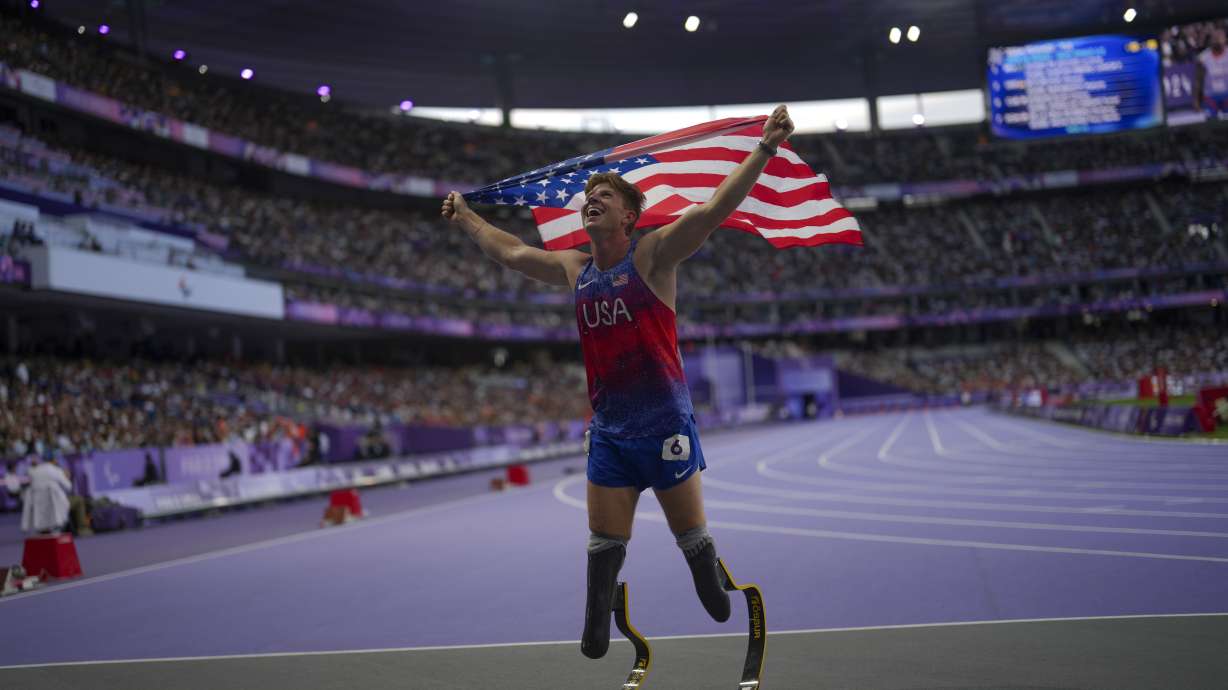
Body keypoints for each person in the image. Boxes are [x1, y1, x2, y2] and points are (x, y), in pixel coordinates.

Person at [442, 105, 795, 659]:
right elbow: (511, 252)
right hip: (610, 432)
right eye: (589, 195)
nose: (592, 199)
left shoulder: (652, 257)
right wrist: (466, 217)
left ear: (629, 216)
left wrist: (765, 149)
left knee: (694, 548)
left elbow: (712, 212)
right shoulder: (575, 269)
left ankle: (707, 570)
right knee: (604, 544)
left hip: (666, 427)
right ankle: (594, 624)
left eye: (603, 195)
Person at [20, 456, 73, 534]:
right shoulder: (56, 470)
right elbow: (69, 486)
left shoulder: (34, 471)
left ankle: (45, 528)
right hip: (56, 504)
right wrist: (67, 477)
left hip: (37, 505)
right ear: (54, 461)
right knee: (78, 501)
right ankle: (80, 528)